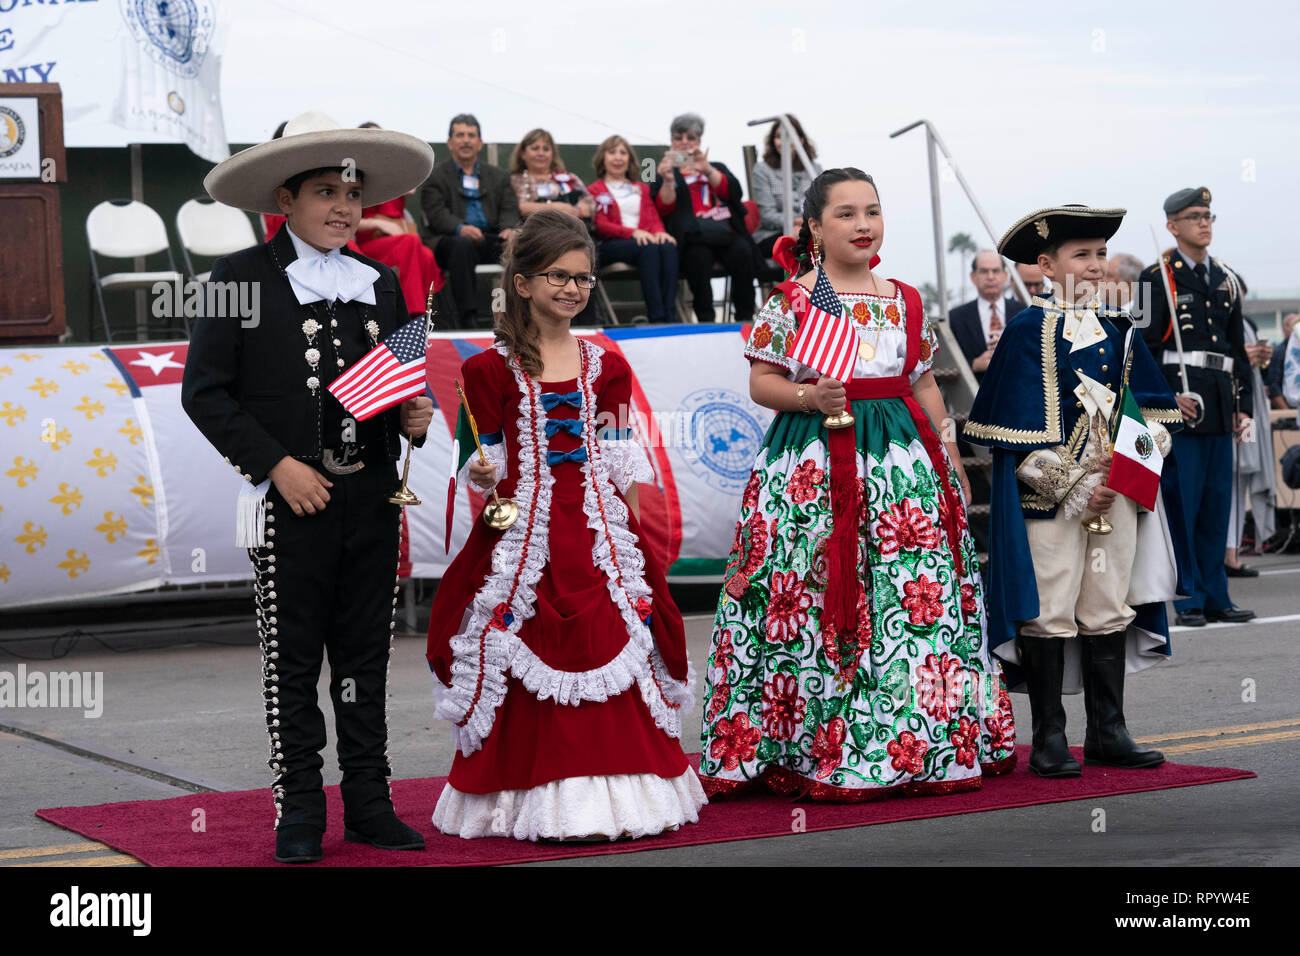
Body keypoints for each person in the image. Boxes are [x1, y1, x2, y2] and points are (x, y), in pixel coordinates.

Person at [698, 168, 1017, 802]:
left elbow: (924, 382)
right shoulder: (791, 301)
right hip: (813, 463)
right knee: (809, 597)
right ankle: (806, 741)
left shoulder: (904, 299)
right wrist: (807, 395)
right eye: (845, 214)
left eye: (872, 211)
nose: (863, 224)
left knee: (909, 600)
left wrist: (948, 450)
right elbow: (760, 384)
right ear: (814, 226)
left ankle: (917, 741)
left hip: (902, 465)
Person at [182, 110, 436, 862]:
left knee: (364, 659)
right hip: (287, 504)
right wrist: (278, 464)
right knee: (292, 662)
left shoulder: (383, 283)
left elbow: (388, 395)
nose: (344, 207)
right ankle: (299, 810)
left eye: (353, 192)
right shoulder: (236, 279)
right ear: (283, 201)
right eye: (326, 190)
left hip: (370, 497)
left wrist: (412, 420)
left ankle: (368, 802)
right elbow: (205, 393)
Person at [427, 209, 706, 840]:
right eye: (558, 276)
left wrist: (633, 538)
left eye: (583, 278)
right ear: (522, 283)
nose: (573, 289)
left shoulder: (605, 365)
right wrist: (479, 469)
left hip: (597, 534)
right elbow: (489, 458)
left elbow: (616, 453)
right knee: (514, 634)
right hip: (526, 535)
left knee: (619, 627)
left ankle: (619, 794)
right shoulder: (485, 370)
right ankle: (525, 797)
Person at [965, 204, 1188, 778]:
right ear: (1045, 264)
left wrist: (1136, 463)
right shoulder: (1023, 331)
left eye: (1099, 254)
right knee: (1051, 612)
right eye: (1081, 255)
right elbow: (1006, 438)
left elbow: (1151, 415)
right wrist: (1075, 485)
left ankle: (1109, 732)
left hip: (1117, 498)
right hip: (1051, 506)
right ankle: (1049, 738)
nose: (1095, 266)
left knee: (1108, 607)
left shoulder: (1119, 327)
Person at [1134, 187, 1255, 626]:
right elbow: (1141, 350)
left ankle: (1217, 595)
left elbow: (1237, 348)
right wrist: (1165, 401)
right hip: (1181, 406)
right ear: (1172, 225)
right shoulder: (1153, 278)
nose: (1204, 223)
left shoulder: (1225, 277)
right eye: (1194, 216)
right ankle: (1188, 598)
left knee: (1216, 506)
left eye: (1208, 215)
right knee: (1184, 506)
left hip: (1221, 404)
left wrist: (1244, 408)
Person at [651, 112, 756, 323]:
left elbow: (735, 193)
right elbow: (658, 207)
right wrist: (669, 180)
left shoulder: (716, 165)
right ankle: (706, 319)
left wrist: (706, 169)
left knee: (743, 252)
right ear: (671, 141)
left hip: (722, 231)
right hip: (690, 237)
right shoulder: (655, 167)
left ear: (699, 141)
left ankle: (746, 317)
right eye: (678, 138)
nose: (684, 143)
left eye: (690, 138)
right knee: (697, 259)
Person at [419, 114, 521, 328]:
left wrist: (508, 229)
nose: (466, 140)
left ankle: (522, 320)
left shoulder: (499, 176)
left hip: (491, 238)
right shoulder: (435, 176)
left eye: (471, 135)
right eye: (460, 135)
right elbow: (435, 213)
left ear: (480, 143)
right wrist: (460, 228)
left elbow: (509, 207)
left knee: (520, 245)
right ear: (450, 143)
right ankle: (468, 318)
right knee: (461, 245)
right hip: (451, 240)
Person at [588, 135, 679, 323]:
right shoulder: (594, 190)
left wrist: (660, 232)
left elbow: (652, 216)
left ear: (629, 159)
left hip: (642, 241)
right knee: (649, 247)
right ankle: (657, 317)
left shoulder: (641, 188)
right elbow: (600, 225)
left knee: (667, 246)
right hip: (611, 245)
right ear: (602, 159)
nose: (618, 157)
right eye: (612, 152)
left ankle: (670, 316)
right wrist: (632, 233)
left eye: (623, 152)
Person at [1225, 315, 1277, 575]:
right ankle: (1228, 554)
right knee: (1233, 477)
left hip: (1250, 411)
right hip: (1235, 407)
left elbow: (1260, 372)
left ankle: (1232, 553)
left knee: (1244, 473)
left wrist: (1262, 358)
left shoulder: (1248, 323)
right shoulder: (1224, 320)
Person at [750, 116, 821, 259]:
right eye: (778, 136)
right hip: (772, 233)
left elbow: (822, 207)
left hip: (810, 230)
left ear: (800, 140)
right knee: (797, 244)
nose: (783, 141)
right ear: (772, 141)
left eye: (789, 136)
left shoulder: (814, 169)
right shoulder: (762, 170)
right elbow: (767, 216)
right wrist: (794, 224)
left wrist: (804, 227)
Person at [948, 251, 1024, 377]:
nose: (990, 276)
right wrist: (974, 364)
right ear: (973, 276)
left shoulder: (1023, 312)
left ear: (1005, 276)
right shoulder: (955, 318)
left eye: (995, 271)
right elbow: (946, 364)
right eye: (984, 271)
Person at [509, 128, 595, 224]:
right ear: (522, 154)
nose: (541, 153)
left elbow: (590, 206)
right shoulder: (513, 181)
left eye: (546, 149)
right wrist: (557, 208)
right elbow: (513, 208)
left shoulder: (568, 178)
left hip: (566, 232)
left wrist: (576, 211)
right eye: (535, 148)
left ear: (552, 154)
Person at [1266, 313, 1298, 409]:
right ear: (1284, 330)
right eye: (1291, 326)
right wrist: (1288, 414)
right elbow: (1273, 387)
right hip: (1288, 411)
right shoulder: (1279, 352)